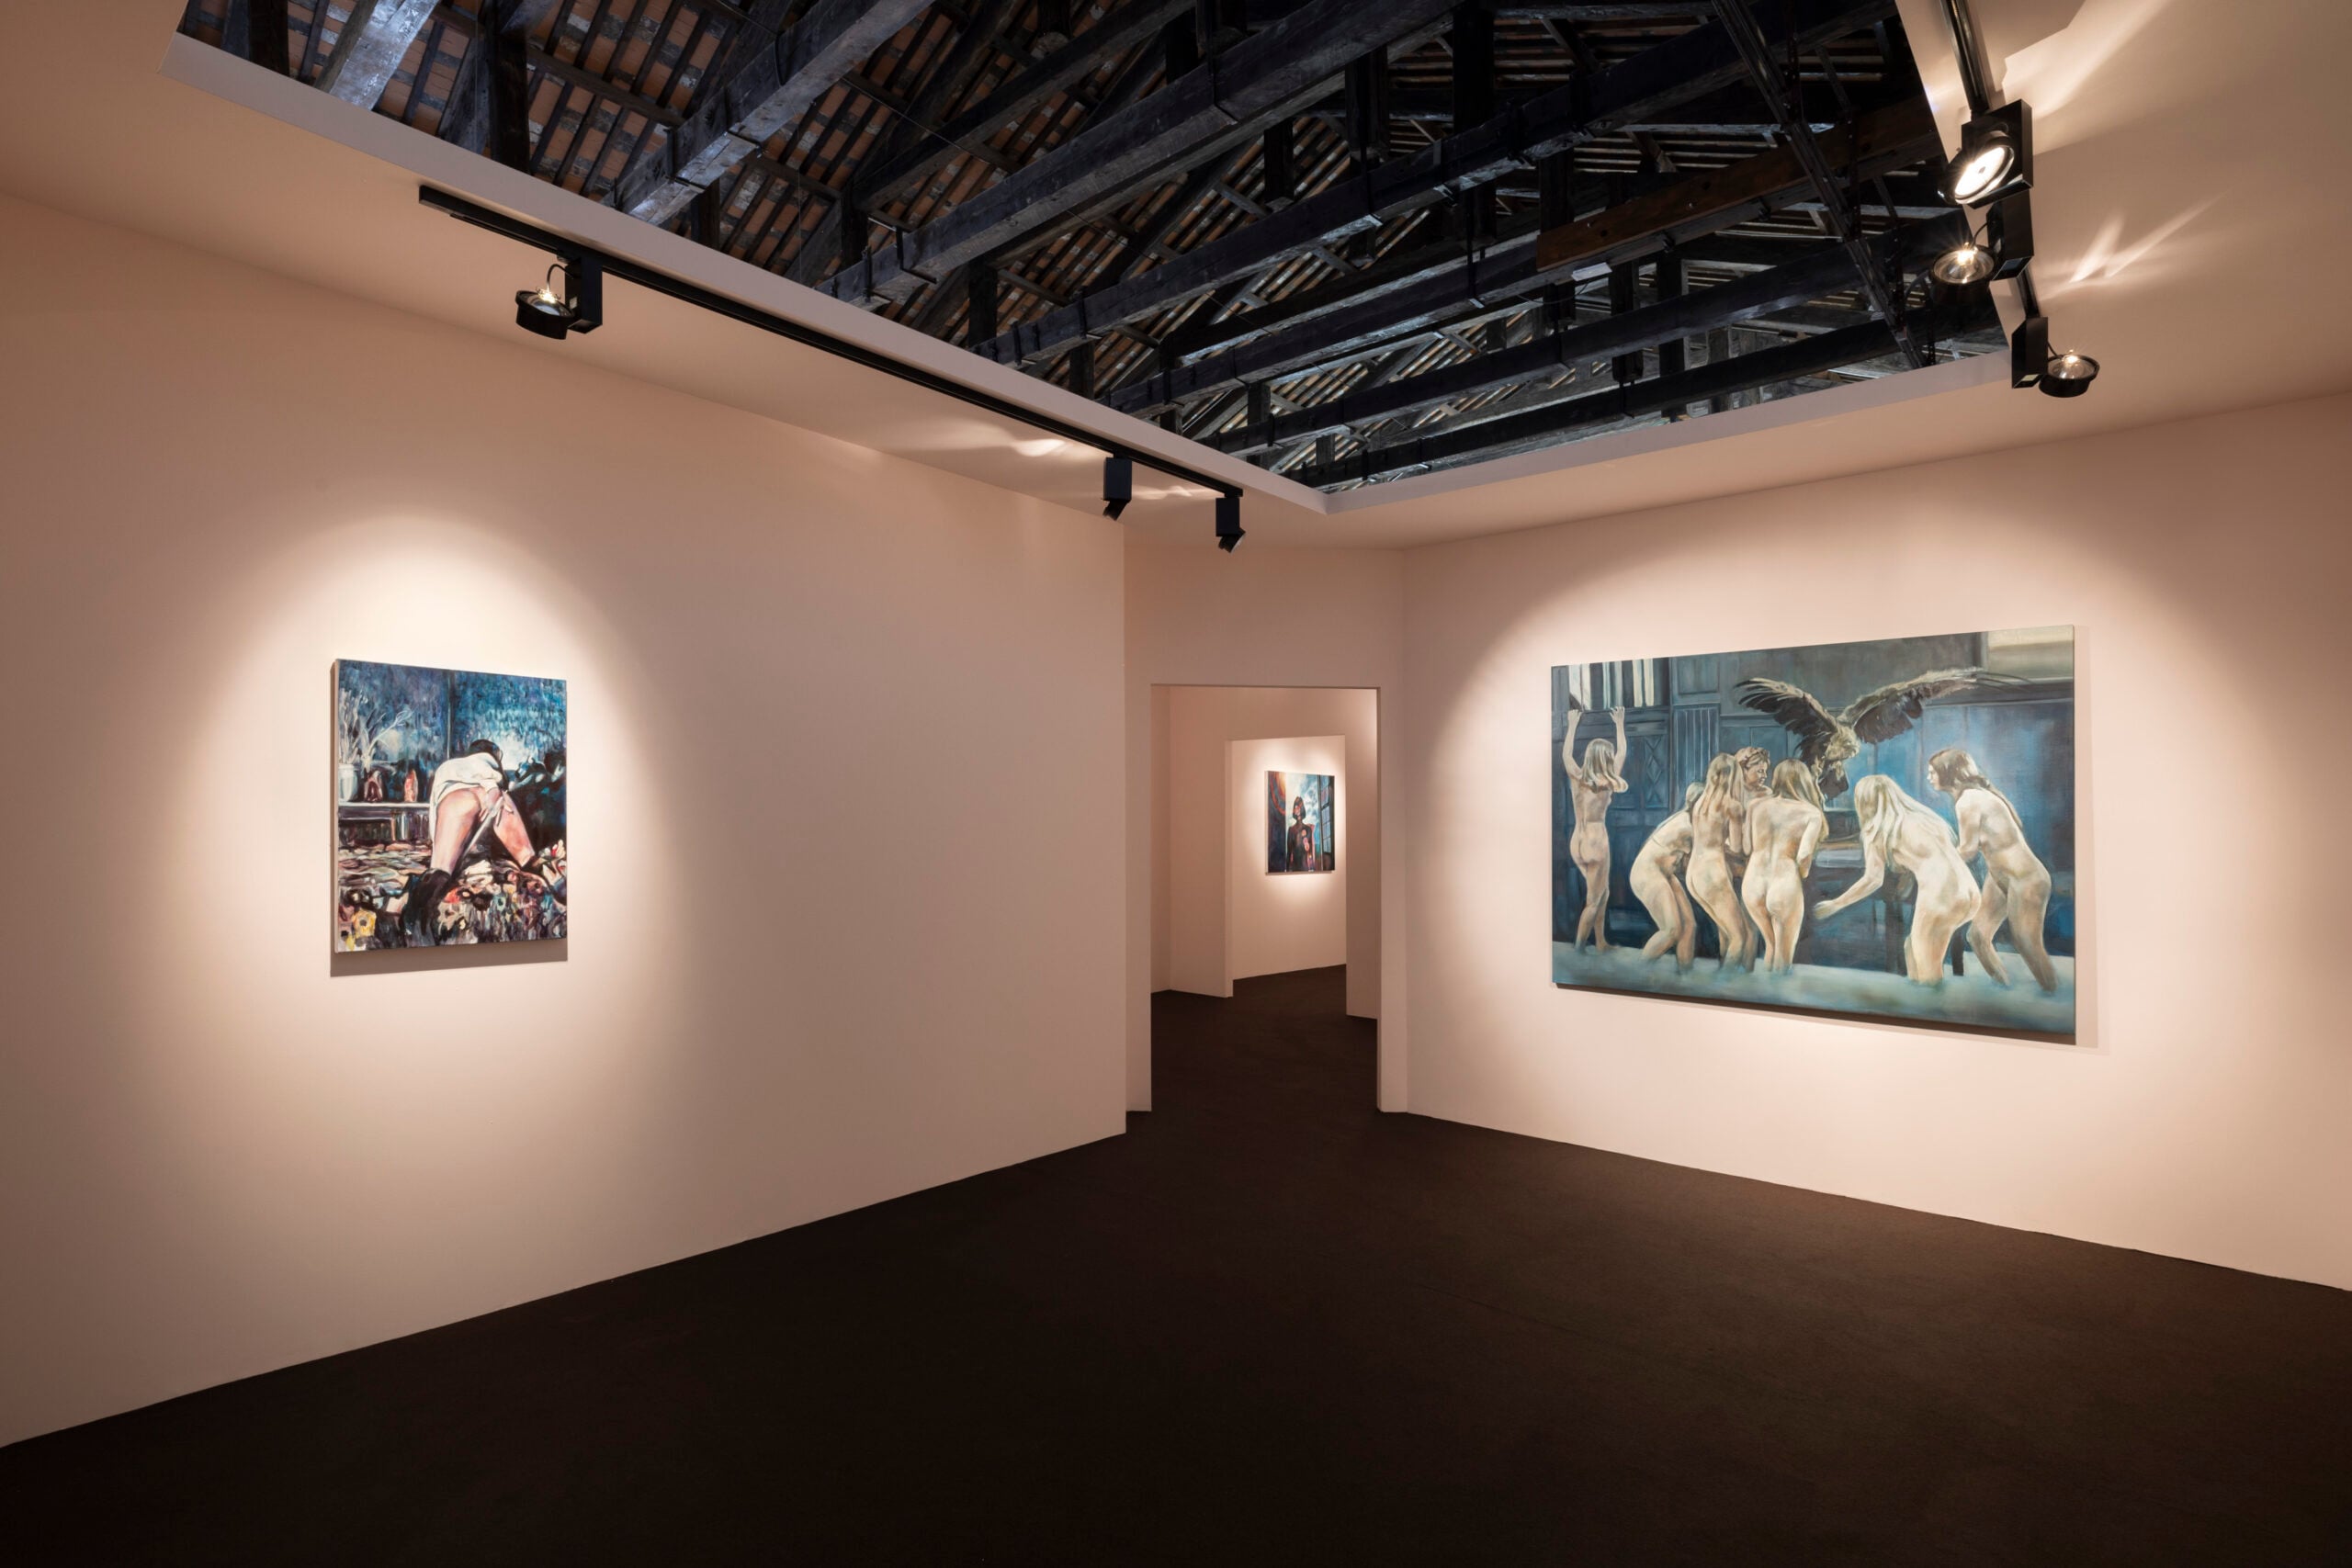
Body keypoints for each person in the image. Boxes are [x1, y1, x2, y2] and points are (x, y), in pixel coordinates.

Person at [1813, 774, 1979, 984]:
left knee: (1929, 974)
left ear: (1864, 802)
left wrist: (1836, 904)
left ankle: (1930, 998)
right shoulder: (1926, 819)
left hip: (1941, 896)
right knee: (1911, 948)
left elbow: (1873, 880)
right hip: (1970, 892)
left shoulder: (1878, 830)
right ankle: (1919, 994)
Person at [400, 740, 563, 944]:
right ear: (495, 755)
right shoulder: (488, 764)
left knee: (441, 869)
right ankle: (538, 865)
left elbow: (436, 811)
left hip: (458, 799)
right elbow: (489, 777)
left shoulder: (449, 767)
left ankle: (416, 919)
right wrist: (493, 787)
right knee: (523, 848)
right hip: (491, 798)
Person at [1930, 746, 2058, 991]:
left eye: (1933, 772)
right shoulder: (1973, 797)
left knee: (2027, 943)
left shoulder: (1968, 801)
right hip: (2001, 876)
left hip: (2026, 878)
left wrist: (1936, 863)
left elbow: (1967, 850)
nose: (1930, 777)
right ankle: (2004, 988)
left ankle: (2051, 992)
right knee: (1978, 936)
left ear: (1949, 773)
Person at [1740, 761, 1827, 975]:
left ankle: (1765, 991)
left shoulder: (1755, 806)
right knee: (1784, 957)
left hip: (1753, 884)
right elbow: (1804, 855)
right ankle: (1778, 986)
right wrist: (1801, 875)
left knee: (1771, 946)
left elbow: (1746, 847)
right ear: (1805, 781)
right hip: (1783, 883)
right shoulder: (1811, 813)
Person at [1561, 704, 1629, 951]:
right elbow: (1622, 753)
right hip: (1596, 842)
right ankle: (1579, 948)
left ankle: (1600, 942)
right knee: (1594, 899)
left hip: (1577, 842)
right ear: (1605, 759)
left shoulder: (1577, 777)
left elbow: (1567, 756)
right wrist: (1619, 724)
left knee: (1603, 892)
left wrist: (1572, 726)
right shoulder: (1608, 781)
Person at [1685, 753, 1756, 970]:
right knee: (1740, 937)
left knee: (1725, 932)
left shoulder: (1700, 803)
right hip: (1713, 873)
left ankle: (1723, 976)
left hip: (1694, 873)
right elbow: (1737, 848)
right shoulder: (1732, 806)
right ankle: (1725, 983)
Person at [1629, 783, 1704, 967]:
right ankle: (1639, 971)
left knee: (1689, 925)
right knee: (1671, 930)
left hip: (1664, 874)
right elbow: (1710, 850)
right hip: (1648, 873)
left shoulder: (1689, 819)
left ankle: (1684, 973)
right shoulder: (1688, 826)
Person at [1287, 795, 1317, 873]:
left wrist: (1312, 869)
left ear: (1303, 809)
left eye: (1300, 807)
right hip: (1294, 869)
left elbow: (1311, 853)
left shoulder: (1308, 830)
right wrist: (1287, 871)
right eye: (1296, 807)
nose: (1298, 810)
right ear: (1294, 810)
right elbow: (1289, 853)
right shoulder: (1291, 830)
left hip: (1305, 868)